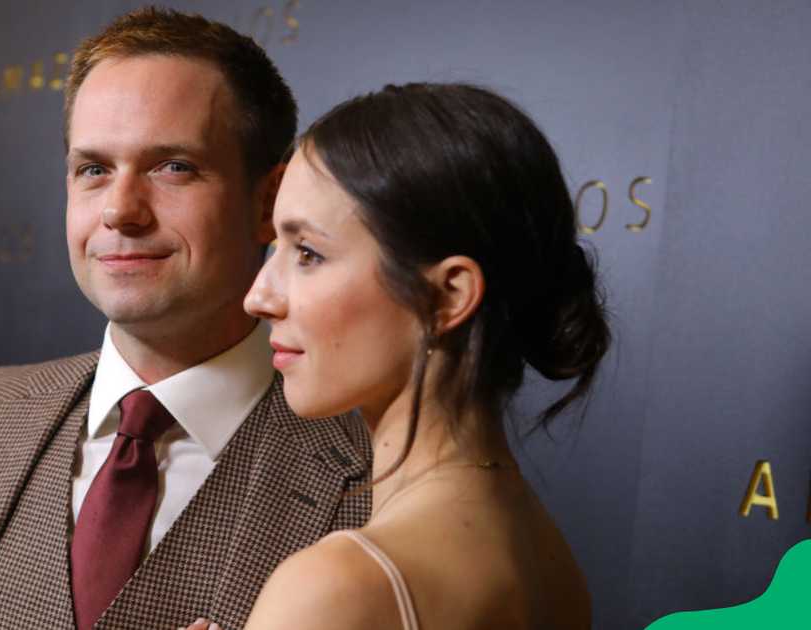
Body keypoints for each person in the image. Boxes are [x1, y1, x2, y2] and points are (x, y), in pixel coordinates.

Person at [0, 8, 370, 630]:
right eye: (93, 169)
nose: (120, 210)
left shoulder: (380, 480)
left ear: (269, 202)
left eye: (172, 166)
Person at [190, 83, 609, 629]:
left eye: (308, 254)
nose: (259, 296)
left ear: (448, 296)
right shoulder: (552, 561)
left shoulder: (339, 587)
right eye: (276, 248)